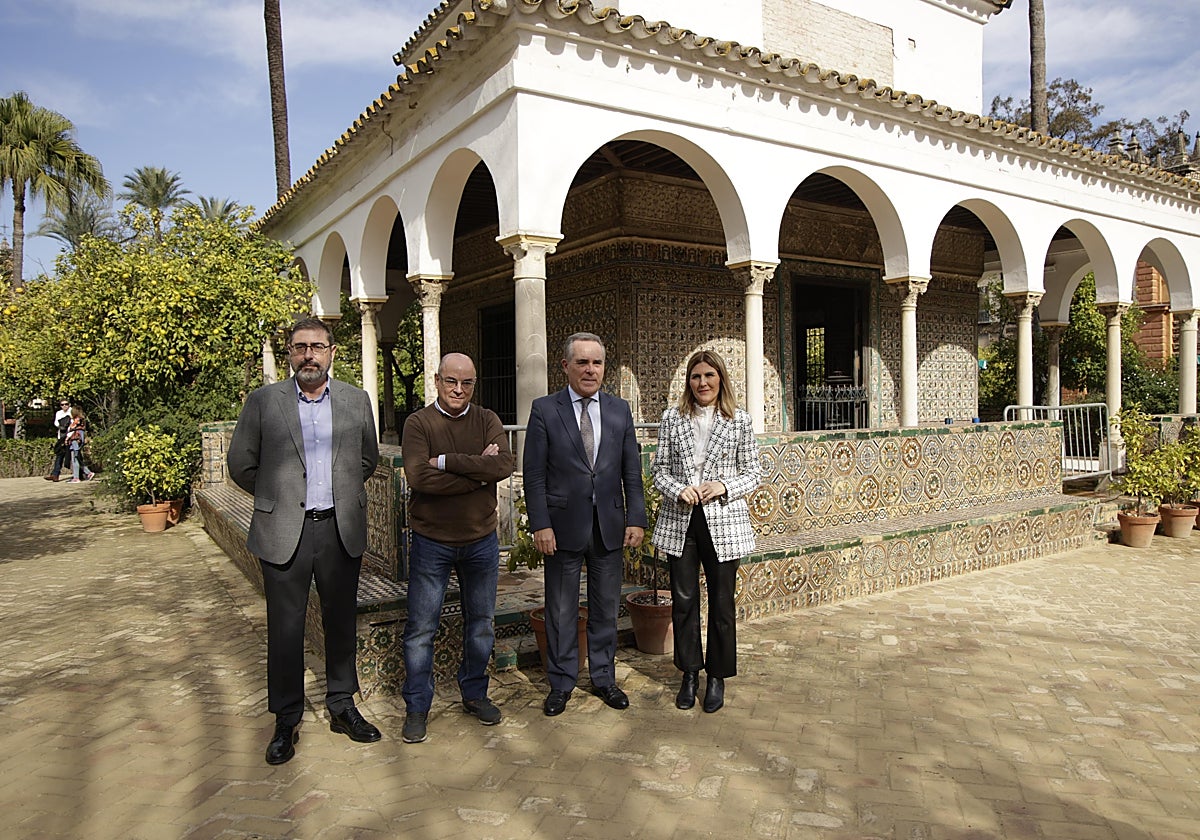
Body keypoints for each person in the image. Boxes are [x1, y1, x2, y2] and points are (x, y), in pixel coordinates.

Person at [227, 317, 382, 765]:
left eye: (317, 346)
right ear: (291, 353)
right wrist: (280, 497)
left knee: (339, 622)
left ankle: (342, 706)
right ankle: (285, 717)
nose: (308, 355)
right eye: (300, 347)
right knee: (285, 628)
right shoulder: (264, 401)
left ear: (332, 352)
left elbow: (367, 458)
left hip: (339, 529)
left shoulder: (355, 400)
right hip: (282, 531)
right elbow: (241, 463)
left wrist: (337, 492)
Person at [523, 332, 646, 716]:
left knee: (606, 607)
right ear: (566, 366)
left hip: (609, 524)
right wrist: (540, 524)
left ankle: (605, 680)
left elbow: (631, 470)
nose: (590, 370)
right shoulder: (545, 409)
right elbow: (534, 474)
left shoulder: (619, 409)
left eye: (596, 362)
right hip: (560, 528)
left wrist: (636, 518)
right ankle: (561, 683)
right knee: (560, 609)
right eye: (582, 362)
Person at [399, 353, 515, 744]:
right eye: (451, 381)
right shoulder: (419, 423)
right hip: (433, 542)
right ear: (436, 380)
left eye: (466, 383)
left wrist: (446, 462)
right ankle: (417, 707)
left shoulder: (486, 420)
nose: (458, 389)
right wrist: (475, 474)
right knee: (421, 629)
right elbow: (419, 477)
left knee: (481, 624)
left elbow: (504, 466)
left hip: (481, 540)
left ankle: (475, 694)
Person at [651, 349, 760, 713]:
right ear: (689, 382)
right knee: (683, 602)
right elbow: (659, 469)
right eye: (696, 377)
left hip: (723, 519)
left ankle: (717, 676)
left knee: (722, 603)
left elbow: (754, 472)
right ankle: (689, 673)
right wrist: (677, 488)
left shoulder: (739, 421)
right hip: (681, 518)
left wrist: (724, 486)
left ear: (721, 380)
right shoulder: (672, 419)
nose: (703, 383)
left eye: (709, 376)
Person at [64, 407, 95, 483]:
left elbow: (72, 431)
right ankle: (88, 473)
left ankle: (76, 477)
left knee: (75, 459)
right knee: (78, 458)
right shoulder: (82, 420)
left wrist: (67, 438)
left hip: (74, 441)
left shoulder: (76, 421)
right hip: (79, 441)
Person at [44, 399, 72, 481]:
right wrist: (61, 426)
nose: (64, 406)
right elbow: (56, 423)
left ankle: (84, 472)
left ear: (69, 404)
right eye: (62, 404)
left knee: (74, 456)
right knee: (59, 455)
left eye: (66, 404)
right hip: (61, 436)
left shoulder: (71, 412)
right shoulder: (59, 413)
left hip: (70, 436)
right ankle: (55, 474)